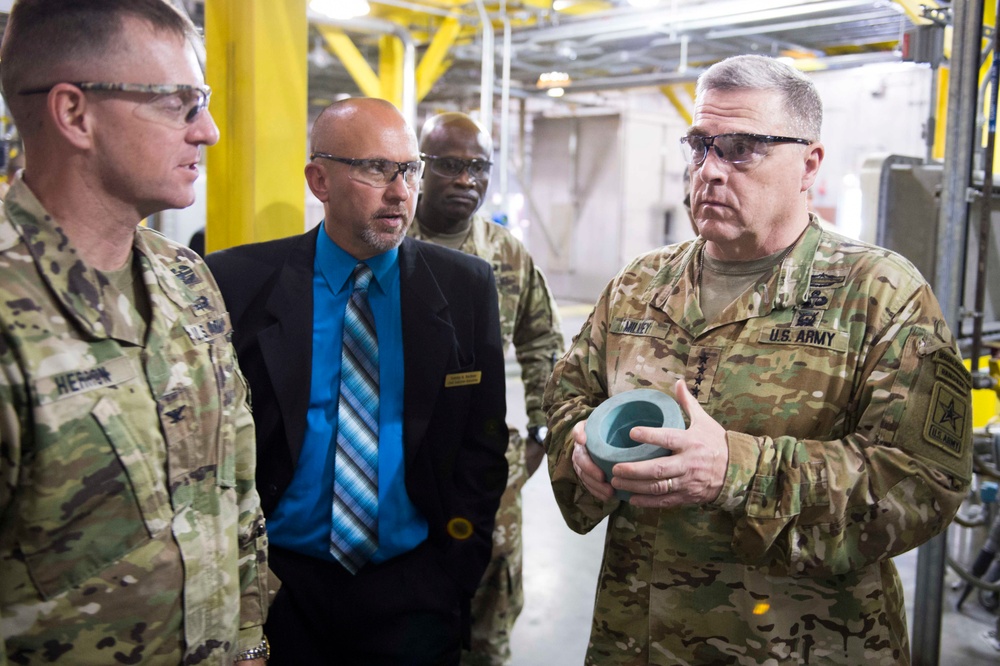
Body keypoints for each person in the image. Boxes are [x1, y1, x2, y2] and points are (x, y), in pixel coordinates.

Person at [543, 54, 972, 665]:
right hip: (636, 636)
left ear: (809, 164)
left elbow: (927, 481)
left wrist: (735, 471)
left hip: (800, 643)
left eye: (742, 148)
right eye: (700, 146)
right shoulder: (639, 284)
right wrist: (580, 446)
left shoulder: (881, 294)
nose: (710, 171)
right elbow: (566, 399)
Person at [0, 1, 272, 664]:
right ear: (74, 114)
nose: (207, 130)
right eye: (179, 102)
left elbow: (235, 486)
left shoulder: (186, 280)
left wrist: (248, 640)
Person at [206, 98, 509, 665]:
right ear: (319, 179)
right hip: (280, 589)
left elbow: (482, 442)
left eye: (410, 169)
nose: (401, 192)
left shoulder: (465, 286)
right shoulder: (236, 282)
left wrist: (454, 576)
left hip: (415, 588)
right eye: (375, 169)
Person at [408, 112, 564, 665]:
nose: (466, 180)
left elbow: (543, 340)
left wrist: (543, 430)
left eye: (478, 167)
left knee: (492, 598)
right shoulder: (387, 246)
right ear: (420, 169)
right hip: (399, 463)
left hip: (487, 466)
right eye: (450, 165)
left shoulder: (508, 254)